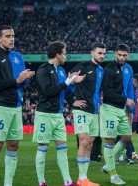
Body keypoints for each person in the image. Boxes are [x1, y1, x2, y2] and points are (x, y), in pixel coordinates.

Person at [0, 25, 35, 186]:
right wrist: (16, 80)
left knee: (14, 144)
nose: (11, 39)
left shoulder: (18, 57)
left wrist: (25, 78)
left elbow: (22, 83)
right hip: (0, 107)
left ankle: (8, 184)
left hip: (16, 106)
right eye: (7, 36)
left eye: (12, 36)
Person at [33, 41, 86, 186]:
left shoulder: (62, 71)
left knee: (62, 147)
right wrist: (68, 82)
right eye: (64, 53)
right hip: (44, 115)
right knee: (42, 147)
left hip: (58, 115)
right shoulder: (43, 70)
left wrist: (72, 83)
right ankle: (41, 182)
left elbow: (65, 91)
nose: (65, 56)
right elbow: (48, 91)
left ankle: (67, 181)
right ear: (57, 54)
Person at [99, 44, 136, 185]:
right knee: (109, 140)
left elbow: (129, 90)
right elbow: (107, 93)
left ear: (128, 55)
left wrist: (130, 110)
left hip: (122, 109)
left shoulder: (129, 69)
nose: (121, 57)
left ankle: (108, 165)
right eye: (119, 55)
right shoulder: (109, 69)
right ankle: (113, 175)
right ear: (115, 54)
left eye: (124, 55)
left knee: (127, 139)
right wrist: (125, 100)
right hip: (109, 108)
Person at [70, 43, 106, 186]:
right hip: (81, 109)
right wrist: (73, 100)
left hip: (94, 110)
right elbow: (68, 79)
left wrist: (99, 109)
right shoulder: (82, 66)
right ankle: (81, 178)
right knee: (84, 141)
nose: (102, 56)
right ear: (92, 53)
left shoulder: (102, 71)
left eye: (104, 53)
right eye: (99, 53)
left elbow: (97, 91)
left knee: (90, 143)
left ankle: (83, 178)